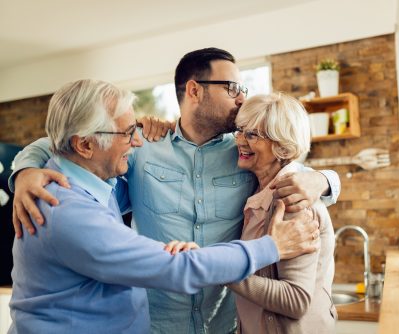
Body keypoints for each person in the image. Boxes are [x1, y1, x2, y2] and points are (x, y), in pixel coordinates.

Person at [9, 48, 341, 333]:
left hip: (225, 322)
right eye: (232, 87)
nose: (242, 97)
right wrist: (24, 171)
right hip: (159, 322)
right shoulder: (141, 149)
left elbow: (285, 162)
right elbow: (62, 143)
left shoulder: (242, 154)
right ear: (194, 91)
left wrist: (324, 179)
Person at [224, 93, 336, 333]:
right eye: (240, 130)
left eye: (252, 134)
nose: (240, 141)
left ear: (283, 147)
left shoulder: (291, 203)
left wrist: (221, 271)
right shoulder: (260, 190)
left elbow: (295, 300)